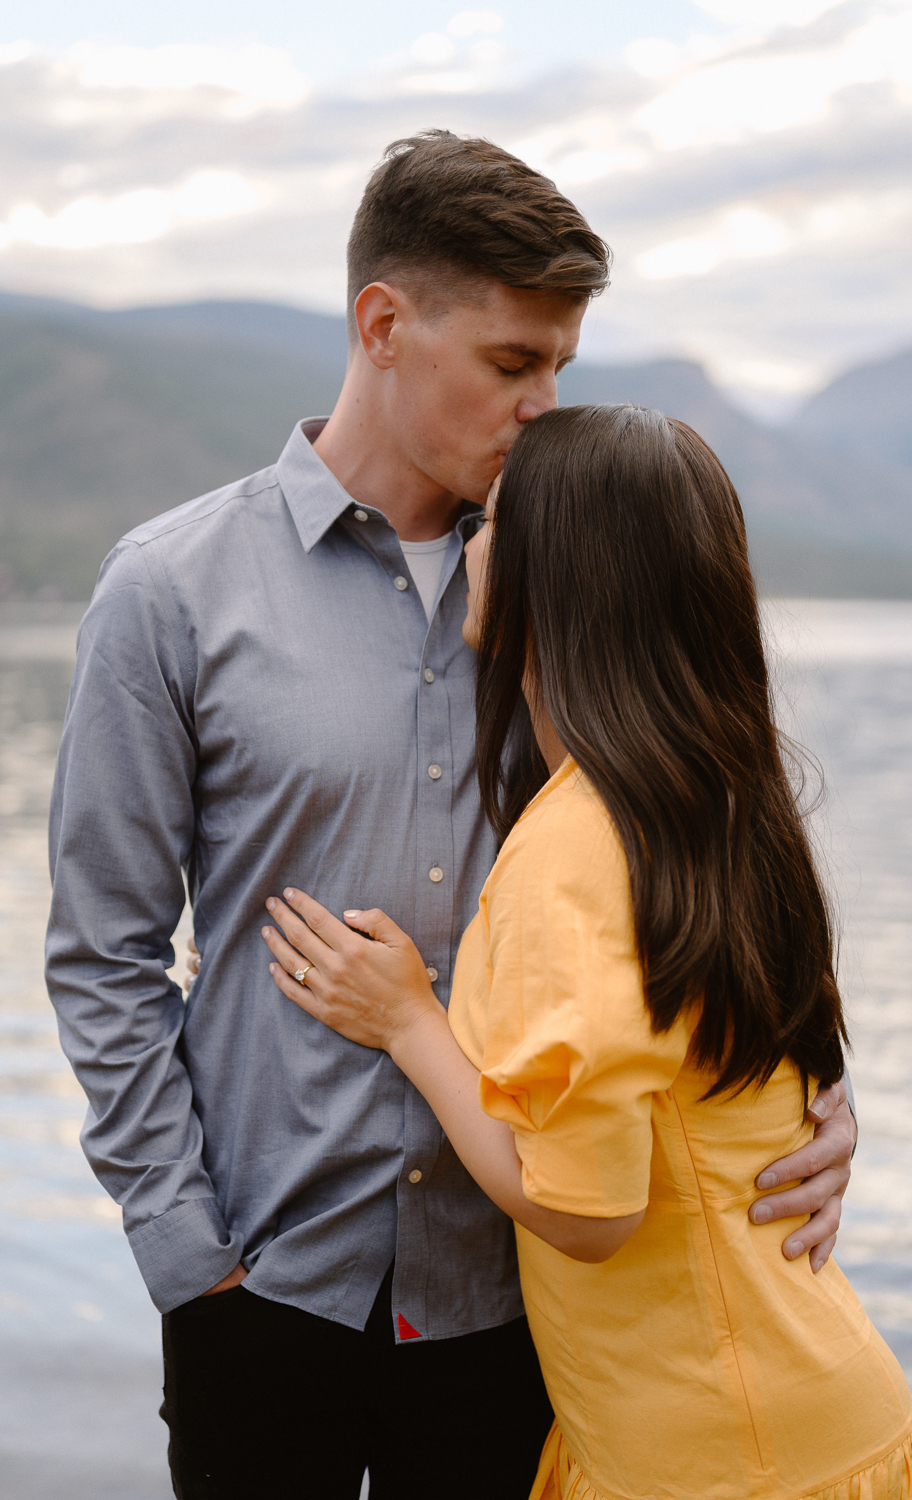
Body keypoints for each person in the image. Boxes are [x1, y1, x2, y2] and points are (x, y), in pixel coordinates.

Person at [45, 132, 856, 1500]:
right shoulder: (170, 591)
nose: (545, 405)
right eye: (512, 363)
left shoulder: (581, 598)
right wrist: (191, 1257)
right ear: (383, 326)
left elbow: (707, 850)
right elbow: (104, 953)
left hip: (519, 1305)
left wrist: (807, 1084)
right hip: (265, 1295)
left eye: (561, 369)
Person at [261, 402, 910, 1500]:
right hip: (800, 1407)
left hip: (711, 1454)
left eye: (493, 522)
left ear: (562, 577)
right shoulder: (721, 798)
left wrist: (409, 1021)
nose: (467, 542)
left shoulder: (570, 846)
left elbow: (585, 1208)